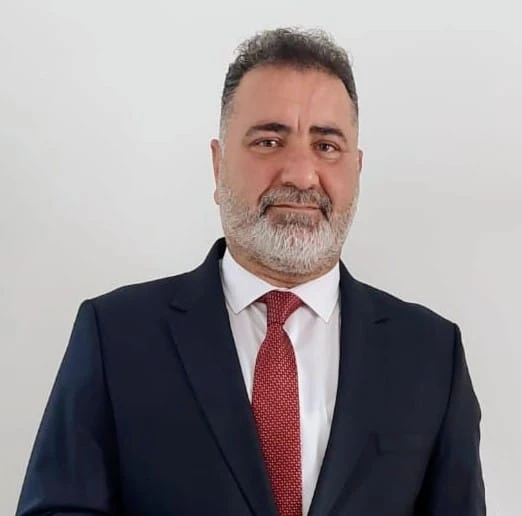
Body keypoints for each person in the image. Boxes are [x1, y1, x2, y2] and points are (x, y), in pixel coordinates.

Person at [16, 28, 486, 516]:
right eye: (269, 141)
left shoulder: (432, 354)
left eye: (327, 146)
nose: (300, 174)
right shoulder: (115, 335)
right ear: (218, 165)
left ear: (357, 169)